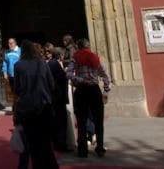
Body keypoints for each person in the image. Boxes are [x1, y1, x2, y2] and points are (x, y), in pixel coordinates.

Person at [14, 40, 58, 169]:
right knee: (45, 143)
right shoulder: (42, 64)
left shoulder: (18, 66)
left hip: (27, 109)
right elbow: (52, 84)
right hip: (44, 107)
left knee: (30, 143)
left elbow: (17, 89)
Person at [66, 38, 111, 158]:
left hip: (81, 90)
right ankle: (100, 148)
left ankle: (82, 150)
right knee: (98, 120)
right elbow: (105, 75)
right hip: (94, 90)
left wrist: (80, 80)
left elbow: (68, 73)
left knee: (81, 121)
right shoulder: (95, 57)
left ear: (79, 47)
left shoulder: (75, 57)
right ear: (88, 46)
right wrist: (106, 90)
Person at [47, 47, 69, 151]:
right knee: (60, 121)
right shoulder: (55, 64)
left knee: (55, 120)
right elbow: (61, 79)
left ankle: (56, 142)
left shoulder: (50, 63)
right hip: (58, 96)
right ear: (60, 55)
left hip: (53, 97)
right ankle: (61, 144)